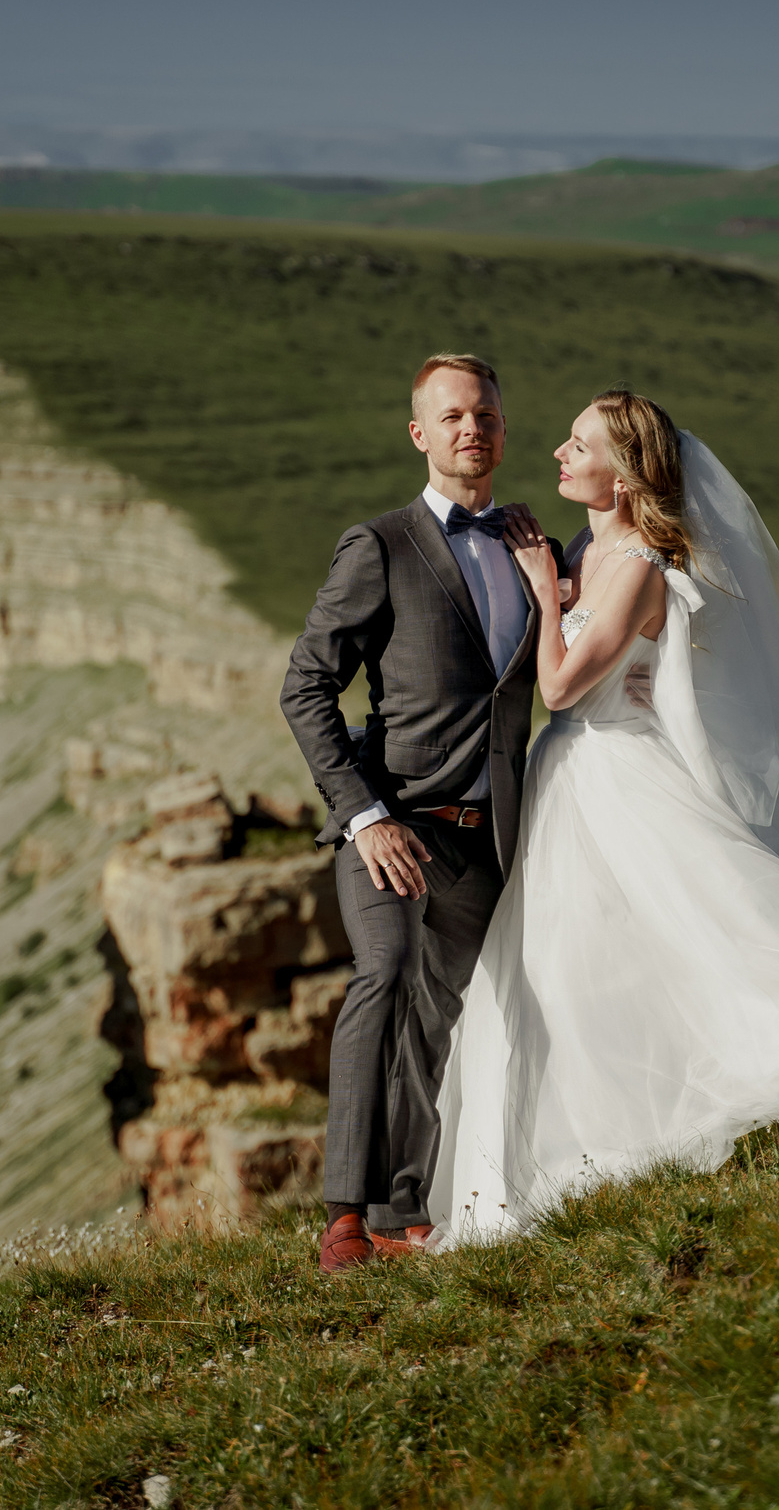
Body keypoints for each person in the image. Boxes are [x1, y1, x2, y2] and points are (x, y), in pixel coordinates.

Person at [428, 388, 779, 1243]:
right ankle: (583, 1141)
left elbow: (564, 686)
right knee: (577, 969)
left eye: (580, 444)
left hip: (613, 772)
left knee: (678, 936)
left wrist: (538, 590)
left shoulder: (639, 557)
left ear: (626, 471)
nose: (560, 453)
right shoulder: (588, 543)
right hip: (566, 773)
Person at [279, 352, 561, 1272]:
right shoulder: (381, 544)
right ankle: (343, 1219)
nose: (470, 428)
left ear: (502, 429)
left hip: (487, 839)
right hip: (391, 826)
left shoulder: (531, 550)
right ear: (420, 433)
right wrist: (364, 815)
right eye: (450, 417)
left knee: (442, 1018)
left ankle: (406, 1211)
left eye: (483, 413)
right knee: (386, 974)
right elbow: (306, 686)